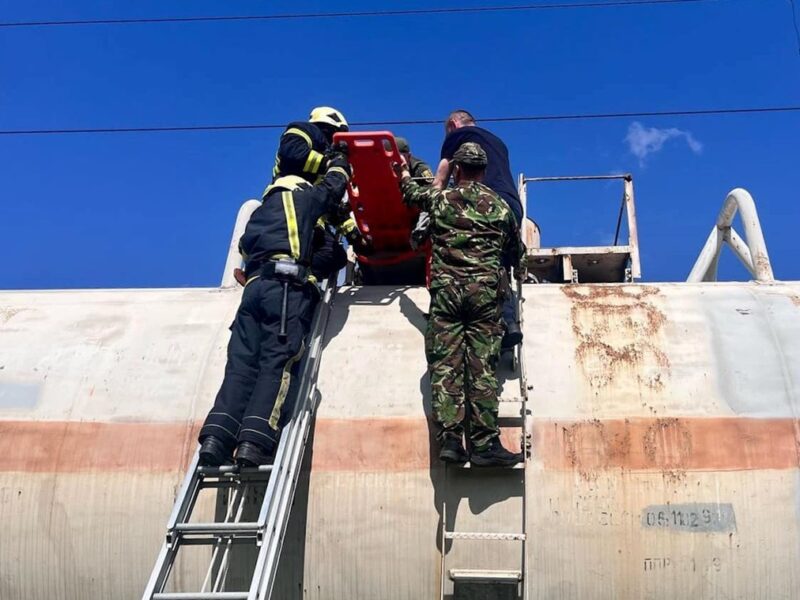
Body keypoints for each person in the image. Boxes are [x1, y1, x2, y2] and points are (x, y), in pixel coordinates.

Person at [197, 148, 352, 468]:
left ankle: (217, 435)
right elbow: (332, 190)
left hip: (252, 292)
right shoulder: (303, 201)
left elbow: (243, 255)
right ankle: (255, 439)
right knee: (276, 364)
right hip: (284, 293)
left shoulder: (260, 214)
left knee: (240, 365)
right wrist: (339, 164)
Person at [394, 142, 526, 467]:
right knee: (482, 370)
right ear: (483, 171)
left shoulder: (440, 200)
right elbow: (517, 256)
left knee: (445, 367)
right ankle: (484, 446)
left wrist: (404, 171)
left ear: (457, 169)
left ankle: (451, 441)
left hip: (447, 297)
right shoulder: (500, 207)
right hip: (484, 298)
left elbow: (411, 194)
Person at [441, 109, 525, 349]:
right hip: (510, 206)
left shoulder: (459, 136)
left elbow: (442, 175)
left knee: (469, 262)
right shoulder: (498, 143)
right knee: (498, 264)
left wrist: (433, 203)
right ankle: (509, 323)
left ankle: (474, 324)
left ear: (454, 124)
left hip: (483, 204)